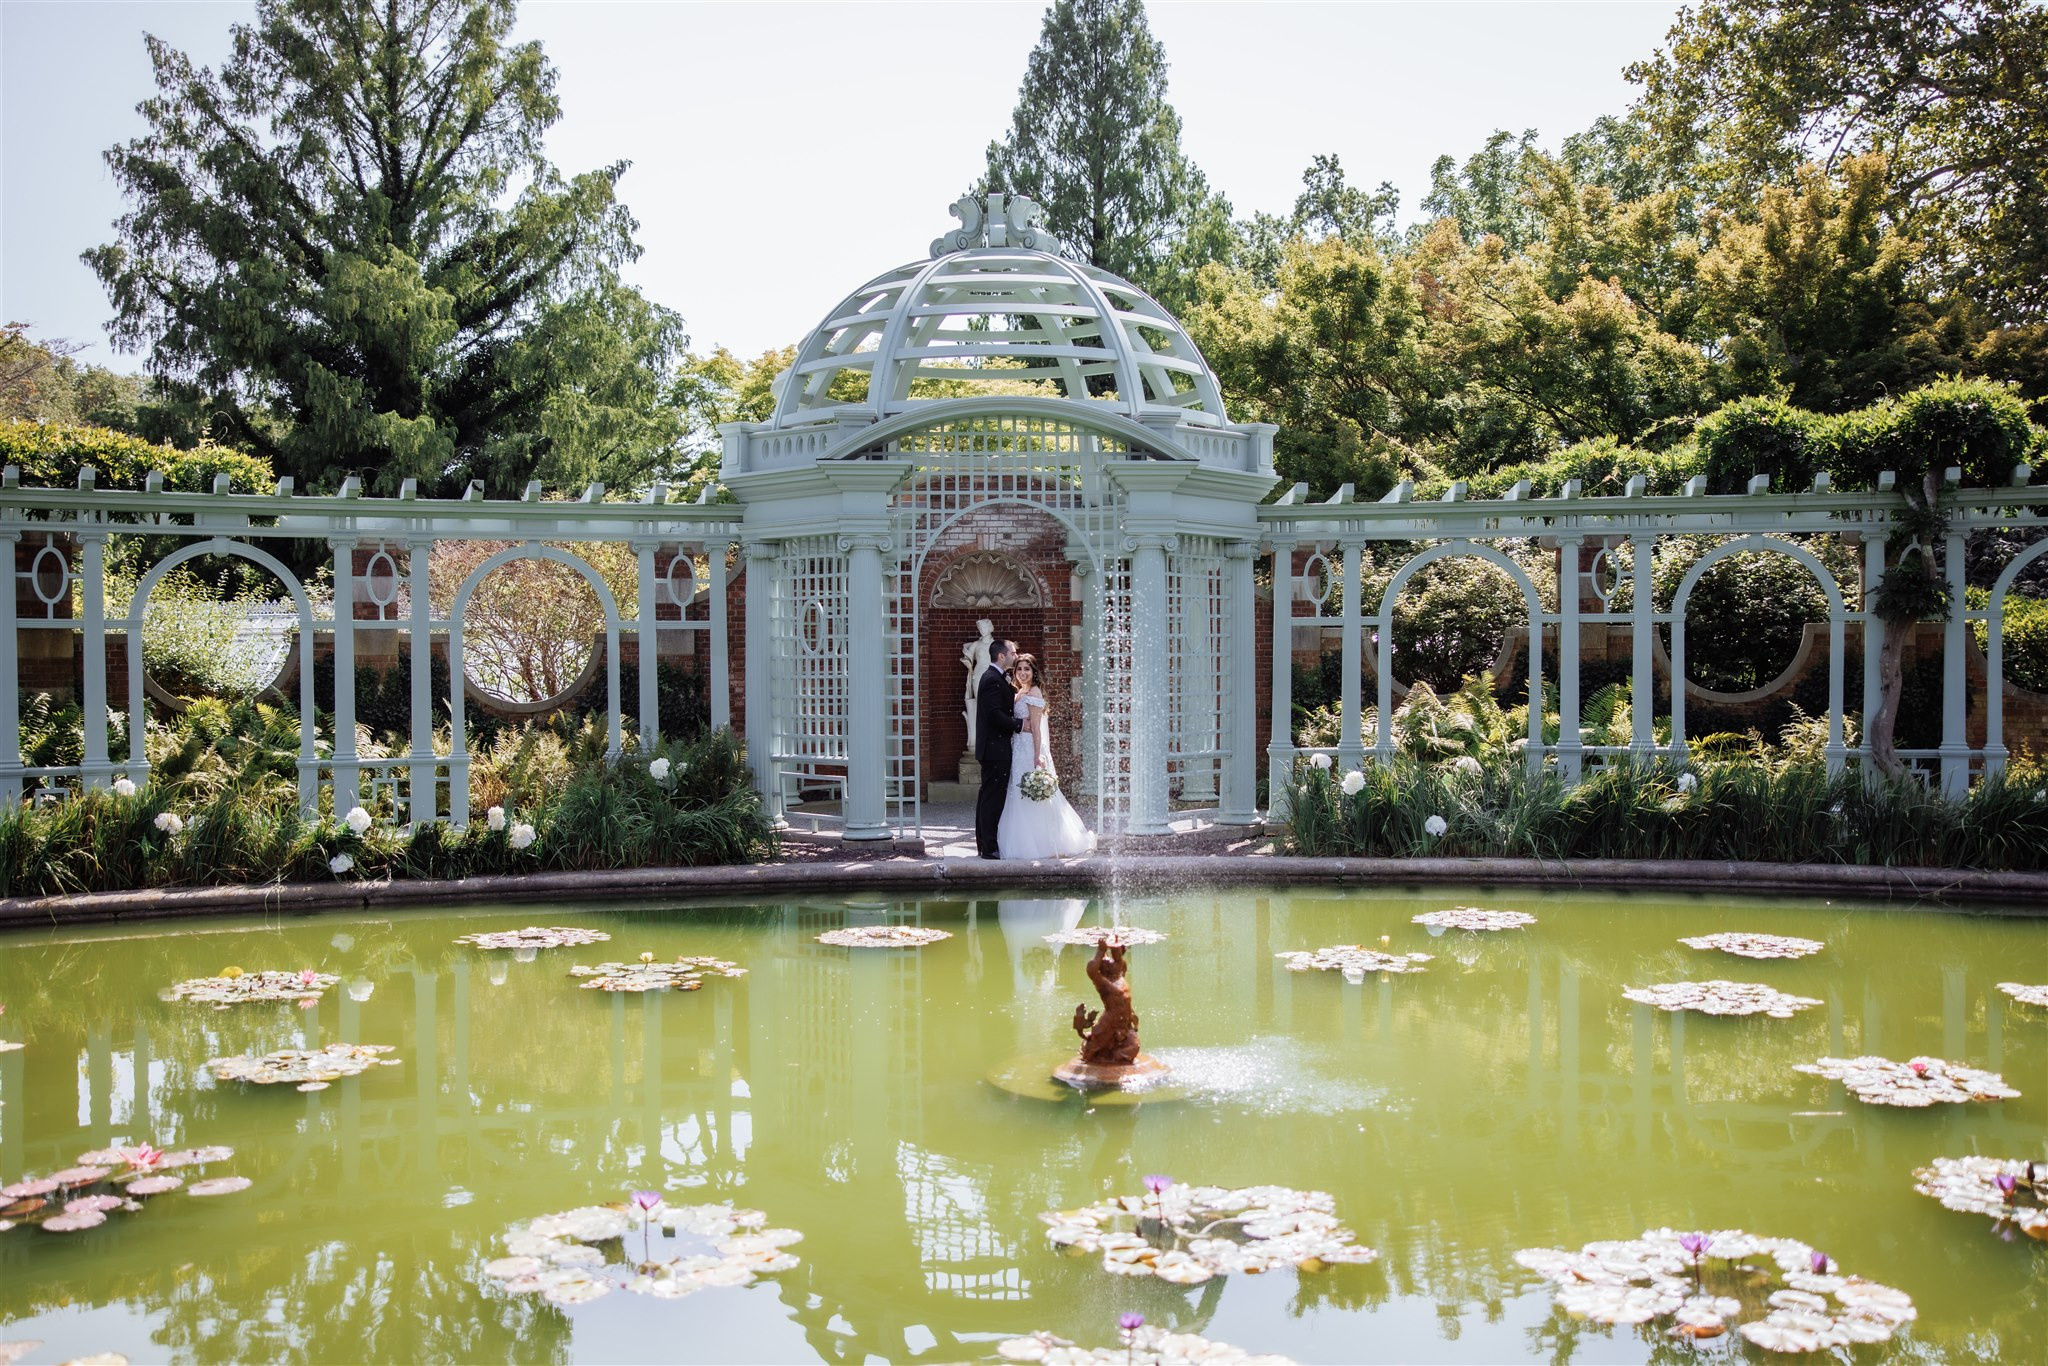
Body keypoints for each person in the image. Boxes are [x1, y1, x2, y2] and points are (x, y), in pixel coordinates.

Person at [996, 654, 1096, 859]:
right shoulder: (1019, 692)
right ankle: (1024, 841)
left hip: (1029, 749)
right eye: (1019, 669)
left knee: (1033, 794)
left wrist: (1038, 756)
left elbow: (1036, 728)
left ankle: (1044, 843)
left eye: (1027, 669)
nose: (1022, 673)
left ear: (1034, 672)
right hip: (1017, 748)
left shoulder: (1034, 692)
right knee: (1018, 792)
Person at [974, 638, 1021, 858]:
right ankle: (989, 847)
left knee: (988, 796)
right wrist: (1019, 724)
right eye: (1013, 653)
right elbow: (994, 715)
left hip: (995, 748)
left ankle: (985, 845)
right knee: (992, 799)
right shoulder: (992, 679)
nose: (1016, 656)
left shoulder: (996, 677)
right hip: (995, 749)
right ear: (1001, 656)